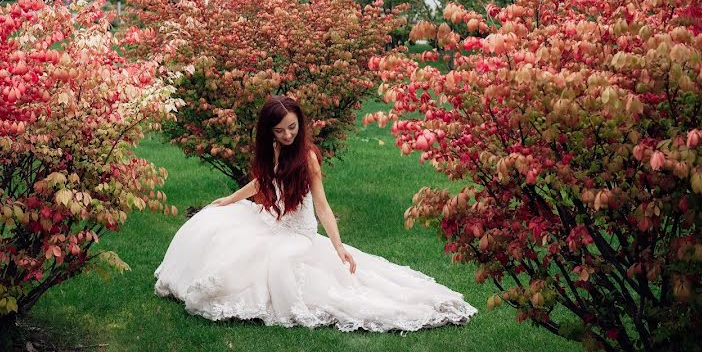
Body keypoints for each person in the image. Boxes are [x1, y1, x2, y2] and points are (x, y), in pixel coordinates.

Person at [154, 95, 477, 331]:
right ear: (269, 132)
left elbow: (321, 205)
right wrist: (230, 198)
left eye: (292, 127)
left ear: (300, 123)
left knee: (279, 262)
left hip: (300, 234)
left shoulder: (307, 157)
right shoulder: (274, 148)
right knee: (215, 221)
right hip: (272, 223)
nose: (287, 135)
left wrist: (338, 246)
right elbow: (260, 182)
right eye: (279, 130)